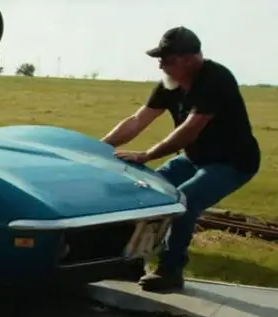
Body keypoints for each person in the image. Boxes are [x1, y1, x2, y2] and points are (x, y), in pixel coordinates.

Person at [101, 26, 260, 292]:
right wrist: (99, 148)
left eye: (167, 58)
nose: (161, 64)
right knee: (145, 191)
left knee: (184, 200)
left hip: (232, 162)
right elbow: (138, 120)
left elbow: (189, 129)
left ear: (190, 59)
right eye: (159, 58)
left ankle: (170, 270)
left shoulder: (215, 79)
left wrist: (148, 155)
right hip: (194, 158)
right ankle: (129, 263)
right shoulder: (170, 84)